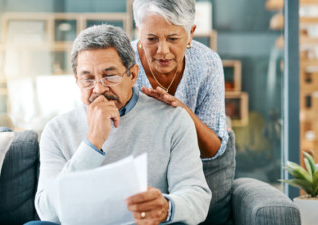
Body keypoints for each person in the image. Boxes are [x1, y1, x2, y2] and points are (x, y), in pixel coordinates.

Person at [29, 25, 211, 225]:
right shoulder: (57, 130)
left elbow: (198, 198)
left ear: (132, 75)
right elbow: (47, 212)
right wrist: (92, 142)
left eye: (110, 75)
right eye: (87, 78)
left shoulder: (173, 119)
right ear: (77, 81)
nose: (99, 88)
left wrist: (166, 207)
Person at [132, 0, 229, 159]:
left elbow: (213, 150)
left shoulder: (207, 64)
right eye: (151, 39)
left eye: (172, 39)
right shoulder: (121, 62)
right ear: (139, 32)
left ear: (190, 33)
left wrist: (181, 112)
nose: (162, 51)